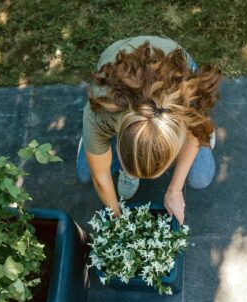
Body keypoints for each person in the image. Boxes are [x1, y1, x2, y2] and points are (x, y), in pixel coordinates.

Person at [76, 35, 222, 224]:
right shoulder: (102, 111)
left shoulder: (187, 98)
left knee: (200, 177)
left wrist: (174, 191)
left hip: (175, 65)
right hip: (118, 64)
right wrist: (116, 218)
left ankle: (205, 129)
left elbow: (195, 132)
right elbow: (100, 176)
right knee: (85, 172)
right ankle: (91, 139)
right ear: (118, 143)